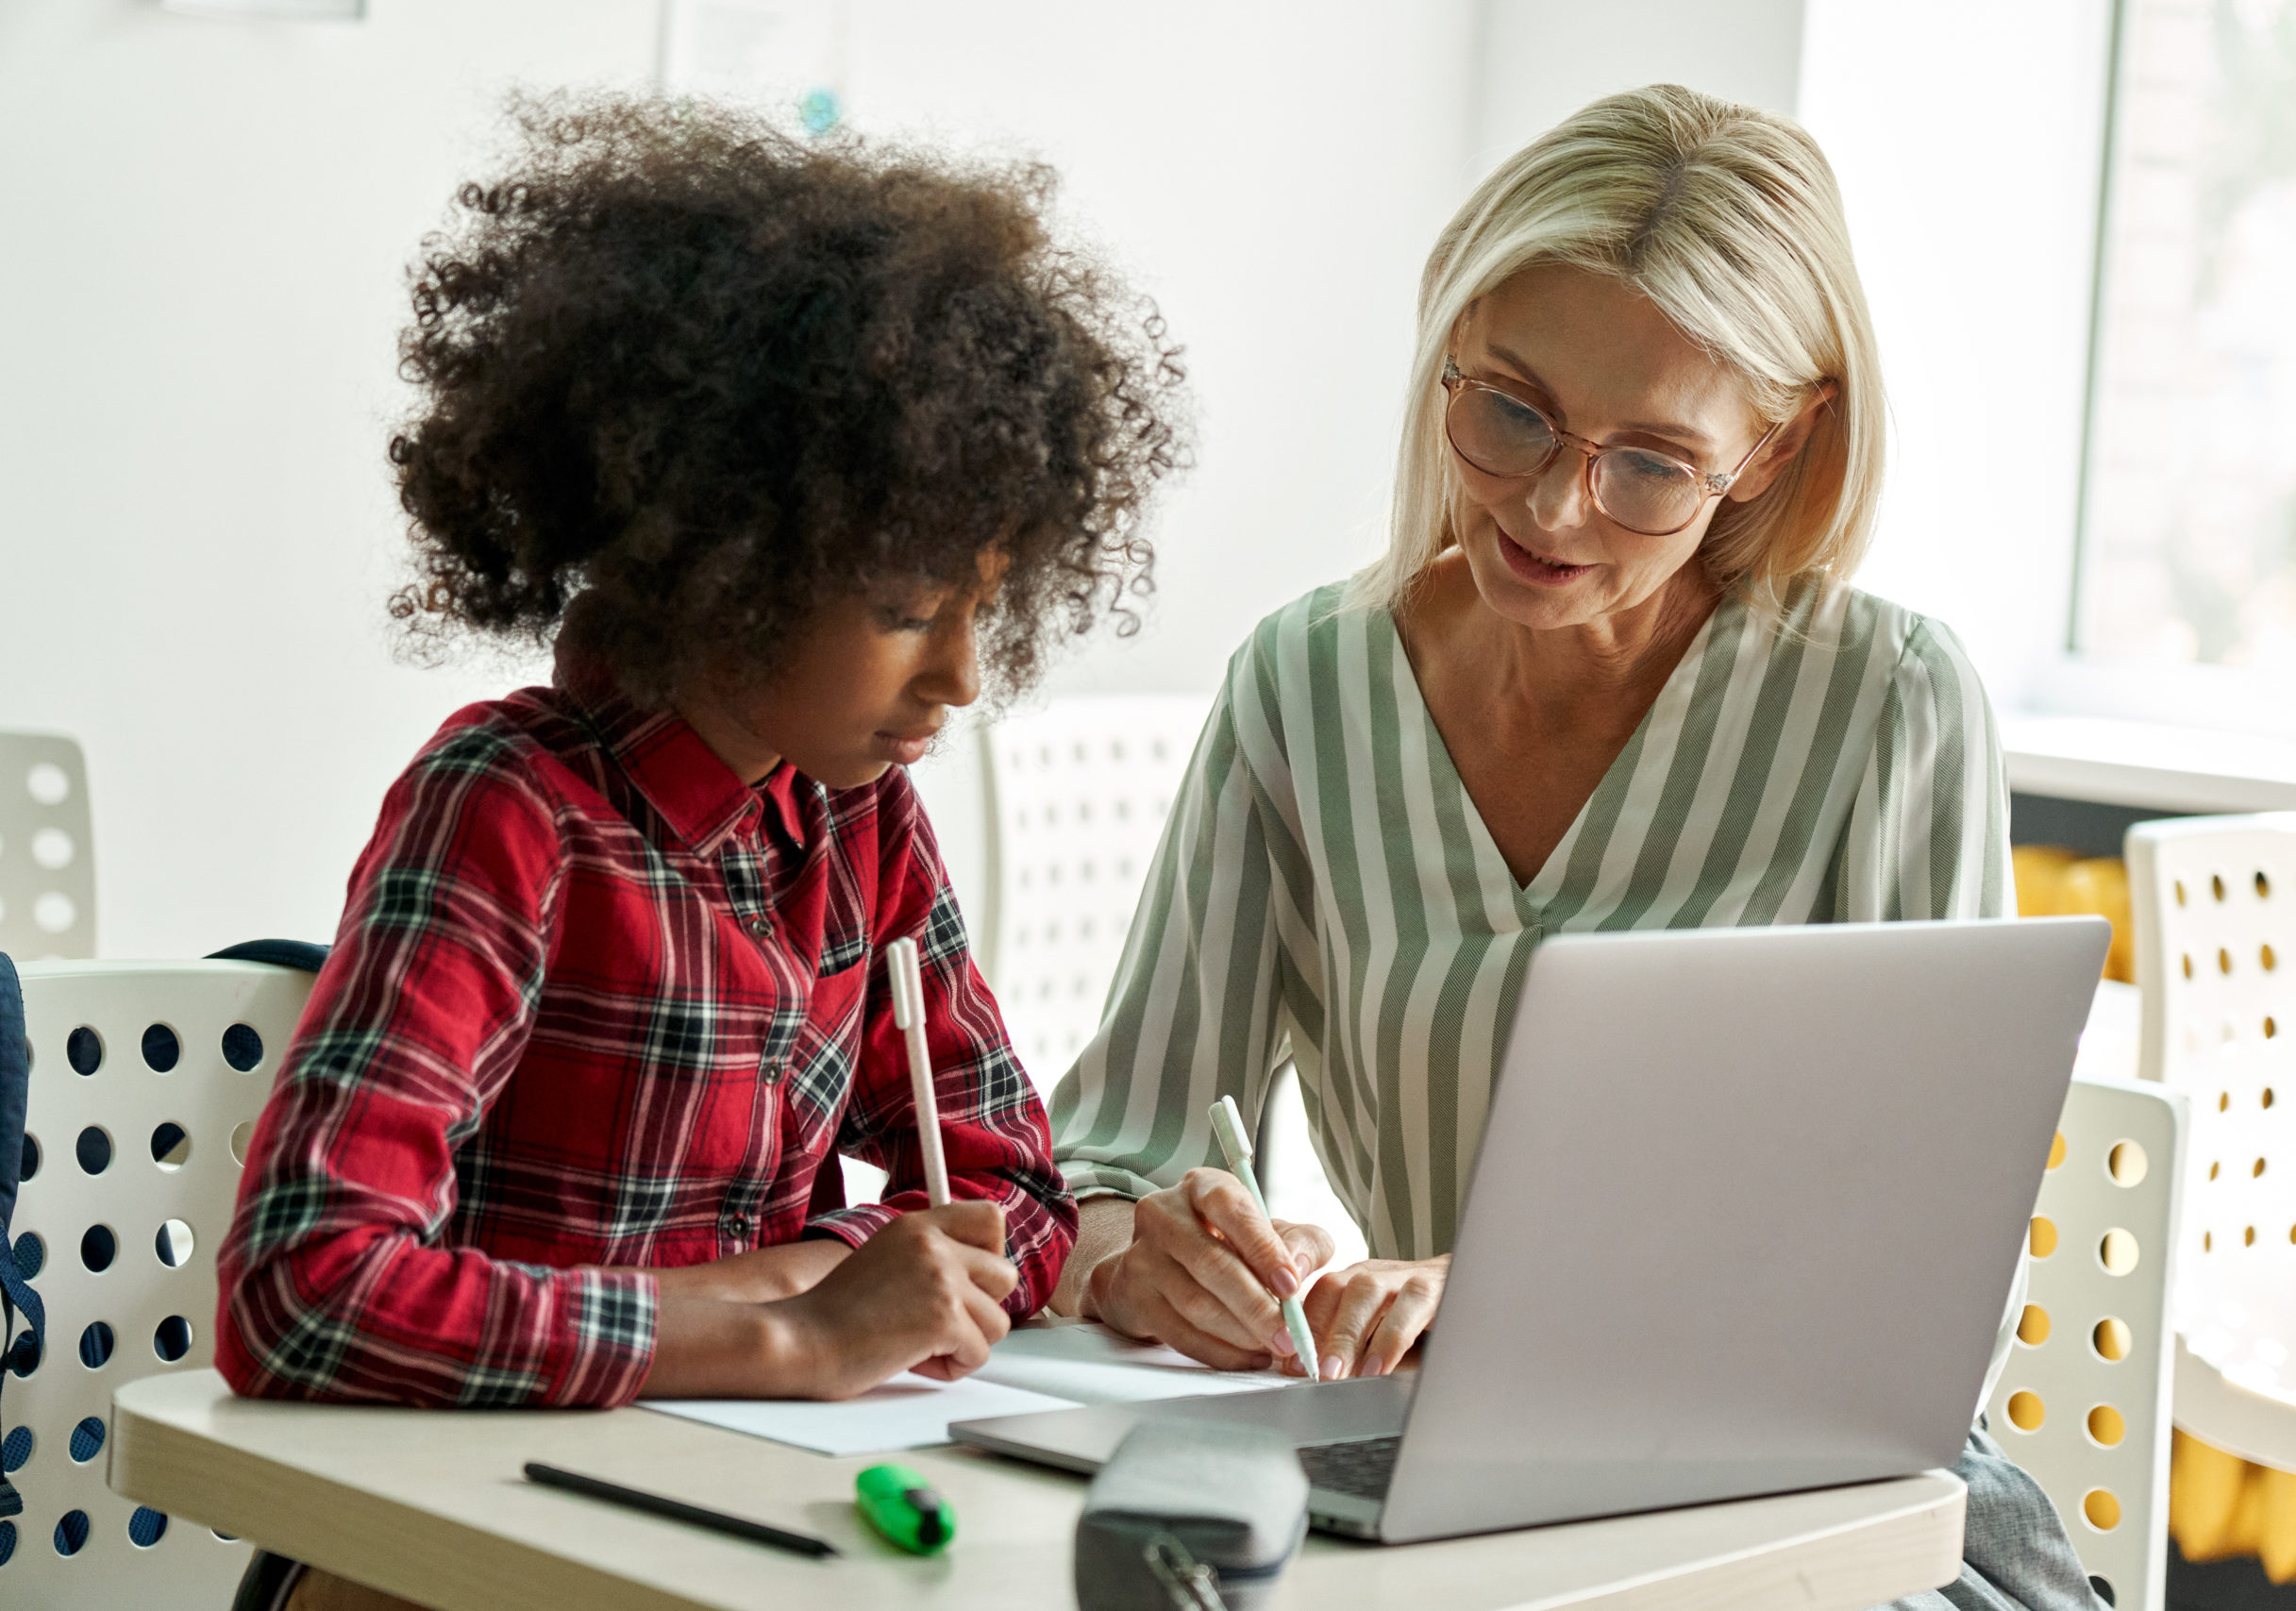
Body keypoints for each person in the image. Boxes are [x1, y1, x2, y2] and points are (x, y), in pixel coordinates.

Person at [1048, 84, 2100, 1611]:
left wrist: (1528, 1317)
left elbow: (1918, 1298)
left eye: (1651, 462)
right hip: (1425, 1492)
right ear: (1452, 346)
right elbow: (1109, 1146)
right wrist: (1148, 1244)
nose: (1552, 504)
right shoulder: (1308, 684)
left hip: (1810, 1517)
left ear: (1771, 449)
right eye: (1512, 411)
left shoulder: (1886, 705)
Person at [217, 93, 1182, 1421]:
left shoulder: (865, 828)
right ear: (729, 562)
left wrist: (836, 1282)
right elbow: (301, 1296)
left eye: (984, 611)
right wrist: (785, 1336)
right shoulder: (511, 812)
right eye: (907, 610)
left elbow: (1015, 1203)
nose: (962, 677)